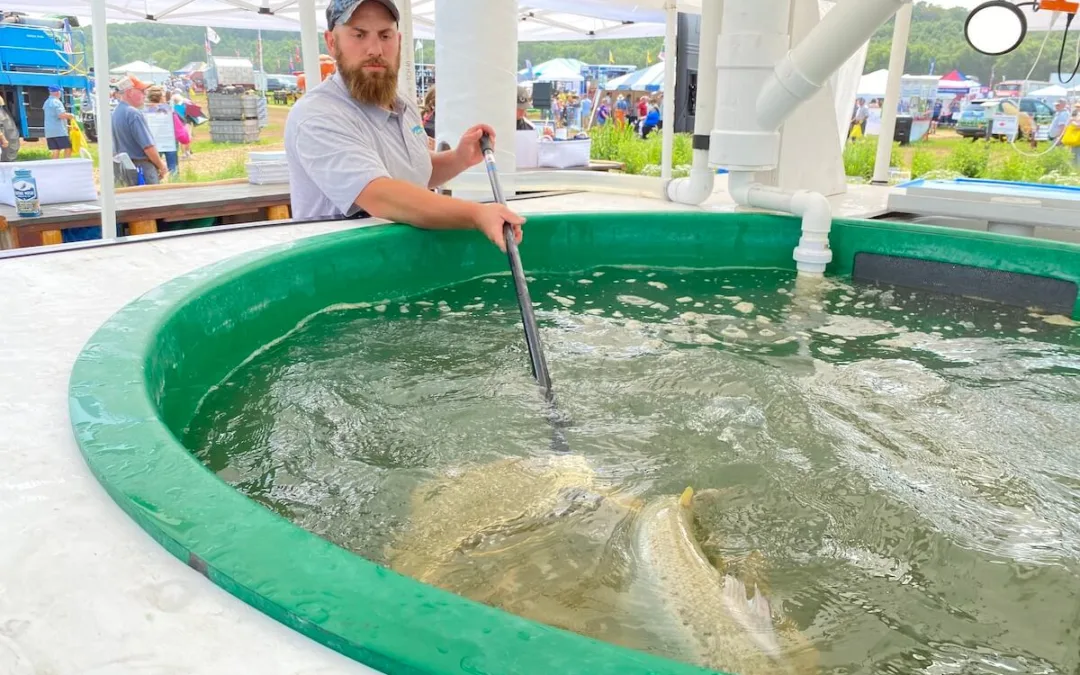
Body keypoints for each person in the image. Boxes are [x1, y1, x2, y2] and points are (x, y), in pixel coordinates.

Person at [285, 0, 523, 251]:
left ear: (398, 40)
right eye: (359, 34)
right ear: (332, 43)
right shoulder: (317, 115)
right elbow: (380, 195)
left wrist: (458, 158)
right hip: (336, 271)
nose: (375, 49)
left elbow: (414, 173)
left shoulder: (403, 105)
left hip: (398, 265)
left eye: (385, 35)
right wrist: (476, 214)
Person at [111, 75, 169, 185]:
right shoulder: (133, 114)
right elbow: (148, 146)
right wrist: (161, 166)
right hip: (141, 169)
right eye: (142, 91)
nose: (145, 94)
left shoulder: (116, 113)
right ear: (130, 92)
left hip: (123, 169)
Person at [44, 86, 74, 159]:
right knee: (68, 147)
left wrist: (66, 125)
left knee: (55, 149)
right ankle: (66, 164)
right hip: (59, 131)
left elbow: (51, 117)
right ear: (58, 92)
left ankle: (54, 166)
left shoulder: (46, 102)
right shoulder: (57, 102)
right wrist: (71, 115)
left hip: (49, 132)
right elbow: (61, 115)